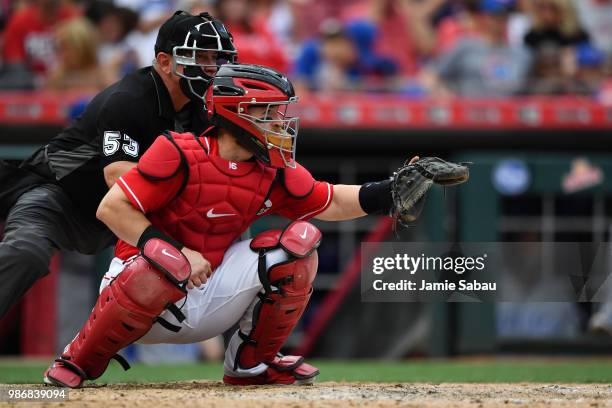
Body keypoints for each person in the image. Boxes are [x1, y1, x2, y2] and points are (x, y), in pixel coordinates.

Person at [43, 63, 420, 387]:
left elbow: (332, 200)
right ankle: (78, 358)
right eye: (269, 112)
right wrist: (175, 251)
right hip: (140, 293)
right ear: (238, 111)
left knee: (300, 242)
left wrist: (390, 192)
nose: (280, 122)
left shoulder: (273, 171)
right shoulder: (176, 151)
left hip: (208, 294)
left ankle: (250, 364)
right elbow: (112, 208)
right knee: (164, 264)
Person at [0, 10, 237, 319]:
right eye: (198, 57)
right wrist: (194, 183)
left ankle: (252, 356)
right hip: (61, 198)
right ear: (165, 62)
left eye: (214, 58)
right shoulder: (130, 98)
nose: (209, 68)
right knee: (26, 252)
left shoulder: (203, 109)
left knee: (233, 240)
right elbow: (117, 176)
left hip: (124, 214)